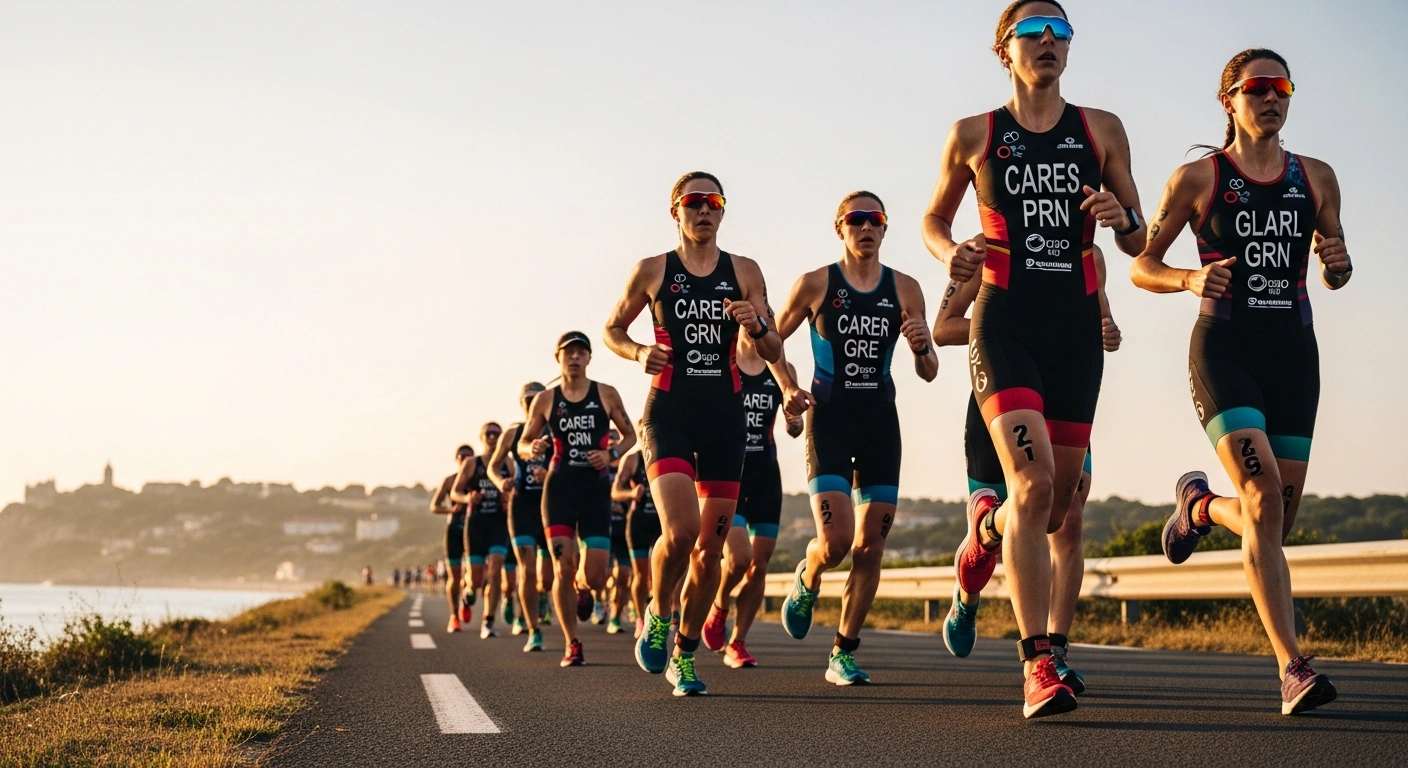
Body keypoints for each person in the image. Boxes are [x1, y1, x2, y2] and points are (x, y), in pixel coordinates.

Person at [920, 0, 1148, 718]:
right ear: (1005, 50)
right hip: (1005, 321)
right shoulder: (974, 133)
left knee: (1053, 509)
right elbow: (933, 218)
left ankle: (981, 541)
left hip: (1074, 329)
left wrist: (1122, 218)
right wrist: (947, 250)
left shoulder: (1101, 129)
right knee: (1031, 481)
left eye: (1061, 32)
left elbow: (1138, 239)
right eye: (1032, 31)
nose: (1048, 40)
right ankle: (1037, 662)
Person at [1130, 48, 1348, 715]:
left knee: (1275, 518)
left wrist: (1338, 264)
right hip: (1224, 351)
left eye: (1282, 86)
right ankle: (1292, 668)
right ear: (1229, 100)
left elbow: (1335, 266)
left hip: (1294, 356)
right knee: (1261, 500)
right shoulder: (1200, 178)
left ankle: (1198, 508)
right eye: (1258, 87)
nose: (1272, 97)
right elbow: (1142, 264)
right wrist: (1189, 278)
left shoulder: (1316, 177)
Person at [604, 171, 782, 696]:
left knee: (710, 552)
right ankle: (659, 613)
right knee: (681, 533)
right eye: (694, 202)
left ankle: (683, 655)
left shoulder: (744, 271)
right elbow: (612, 328)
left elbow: (773, 350)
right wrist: (639, 351)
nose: (704, 210)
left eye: (714, 201)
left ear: (723, 211)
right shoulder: (653, 270)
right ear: (675, 211)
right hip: (669, 412)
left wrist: (756, 326)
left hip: (725, 416)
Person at [932, 245, 1120, 694]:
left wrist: (1106, 329)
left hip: (1063, 394)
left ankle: (1054, 652)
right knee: (1015, 507)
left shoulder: (1089, 253)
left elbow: (1098, 317)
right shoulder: (988, 244)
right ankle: (970, 581)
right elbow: (942, 327)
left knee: (1068, 518)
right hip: (1002, 388)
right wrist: (1012, 324)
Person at [773, 190, 938, 685]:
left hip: (880, 426)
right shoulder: (815, 283)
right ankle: (809, 575)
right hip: (830, 423)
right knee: (837, 543)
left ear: (884, 229)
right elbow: (765, 343)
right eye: (856, 219)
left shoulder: (905, 288)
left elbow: (929, 370)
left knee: (870, 549)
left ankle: (842, 652)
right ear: (840, 228)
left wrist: (922, 349)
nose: (866, 227)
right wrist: (787, 389)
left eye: (875, 219)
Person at [518, 331, 637, 667]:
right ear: (558, 358)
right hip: (559, 489)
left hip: (595, 490)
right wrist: (531, 448)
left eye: (580, 352)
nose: (574, 357)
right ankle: (572, 643)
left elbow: (631, 435)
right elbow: (524, 444)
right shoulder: (546, 400)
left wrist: (611, 454)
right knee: (563, 566)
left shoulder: (606, 393)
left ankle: (584, 589)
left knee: (597, 576)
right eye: (568, 352)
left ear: (588, 358)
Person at [700, 343, 803, 667]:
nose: (758, 321)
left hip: (765, 476)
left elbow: (794, 425)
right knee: (739, 558)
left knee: (759, 564)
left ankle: (738, 642)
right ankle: (719, 605)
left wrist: (795, 423)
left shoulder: (782, 368)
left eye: (767, 318)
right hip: (729, 473)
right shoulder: (723, 361)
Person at [490, 382, 555, 652]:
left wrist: (550, 475)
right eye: (527, 400)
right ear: (520, 403)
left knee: (547, 579)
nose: (531, 404)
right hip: (522, 507)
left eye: (536, 399)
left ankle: (542, 595)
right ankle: (533, 629)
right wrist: (501, 483)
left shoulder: (556, 429)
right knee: (526, 570)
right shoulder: (513, 433)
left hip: (550, 506)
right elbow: (493, 467)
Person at [451, 423, 514, 639]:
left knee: (495, 571)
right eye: (489, 433)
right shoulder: (472, 463)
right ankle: (468, 592)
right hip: (476, 524)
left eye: (497, 433)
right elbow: (455, 492)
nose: (493, 437)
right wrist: (467, 498)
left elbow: (517, 488)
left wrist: (509, 496)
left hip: (498, 523)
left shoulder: (507, 462)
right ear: (481, 437)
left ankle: (488, 620)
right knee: (476, 581)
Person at [611, 425, 662, 639]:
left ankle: (662, 616)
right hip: (639, 522)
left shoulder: (665, 454)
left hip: (661, 522)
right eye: (643, 433)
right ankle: (641, 618)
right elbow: (615, 491)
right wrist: (632, 493)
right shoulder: (633, 459)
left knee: (663, 575)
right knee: (640, 576)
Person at [431, 445, 475, 631]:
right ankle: (454, 616)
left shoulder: (478, 479)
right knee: (454, 577)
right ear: (456, 459)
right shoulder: (449, 481)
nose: (464, 460)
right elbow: (434, 506)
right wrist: (450, 509)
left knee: (473, 575)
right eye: (461, 457)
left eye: (468, 457)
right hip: (454, 531)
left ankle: (466, 596)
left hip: (474, 530)